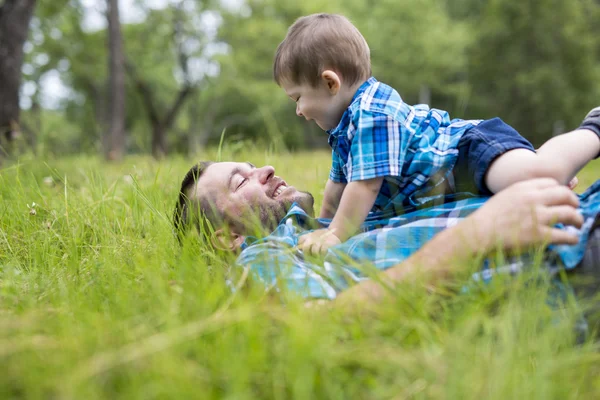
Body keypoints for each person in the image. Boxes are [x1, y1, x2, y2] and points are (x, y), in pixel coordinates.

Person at [272, 13, 600, 256]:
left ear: (331, 83)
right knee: (528, 192)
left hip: (468, 153)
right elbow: (336, 188)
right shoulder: (343, 130)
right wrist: (323, 226)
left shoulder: (372, 114)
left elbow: (365, 185)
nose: (299, 111)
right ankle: (538, 173)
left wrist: (337, 235)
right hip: (453, 185)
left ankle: (593, 129)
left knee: (539, 173)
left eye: (297, 98)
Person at [173, 161, 600, 307]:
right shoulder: (260, 259)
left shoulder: (334, 226)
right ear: (226, 237)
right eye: (239, 181)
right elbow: (324, 321)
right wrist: (480, 232)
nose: (263, 169)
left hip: (578, 212)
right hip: (565, 258)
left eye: (248, 165)